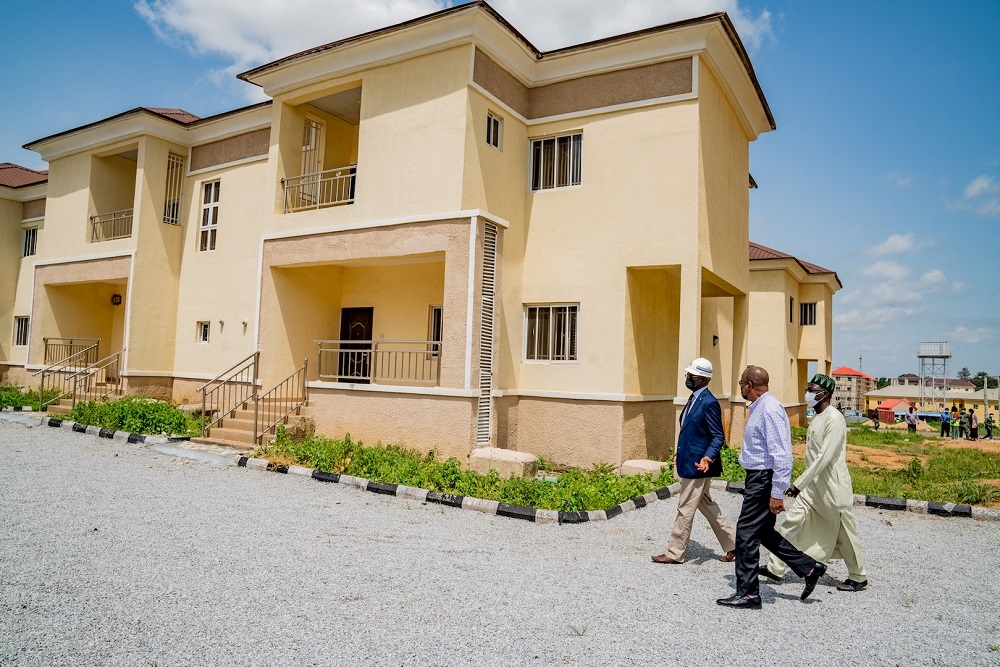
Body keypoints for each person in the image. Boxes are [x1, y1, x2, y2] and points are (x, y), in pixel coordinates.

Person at [716, 366, 826, 609]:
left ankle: (748, 594)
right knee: (763, 532)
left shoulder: (769, 409)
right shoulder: (760, 408)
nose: (740, 387)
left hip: (763, 480)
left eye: (741, 383)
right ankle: (809, 567)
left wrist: (777, 493)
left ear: (749, 385)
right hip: (758, 478)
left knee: (745, 534)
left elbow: (783, 455)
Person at [764, 375, 868, 592]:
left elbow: (824, 457)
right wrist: (803, 484)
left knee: (846, 533)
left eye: (813, 389)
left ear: (826, 393)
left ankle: (858, 577)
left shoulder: (834, 418)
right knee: (791, 522)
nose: (809, 393)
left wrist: (798, 483)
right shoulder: (817, 416)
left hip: (832, 488)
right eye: (808, 388)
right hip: (812, 489)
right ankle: (776, 568)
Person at [652, 358, 736, 565]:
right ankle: (735, 546)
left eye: (692, 375)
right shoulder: (694, 398)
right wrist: (681, 452)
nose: (688, 378)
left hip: (699, 465)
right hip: (690, 459)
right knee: (707, 505)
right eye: (688, 374)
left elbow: (718, 436)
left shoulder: (709, 402)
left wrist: (708, 457)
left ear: (703, 379)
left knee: (685, 508)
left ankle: (675, 553)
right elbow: (691, 431)